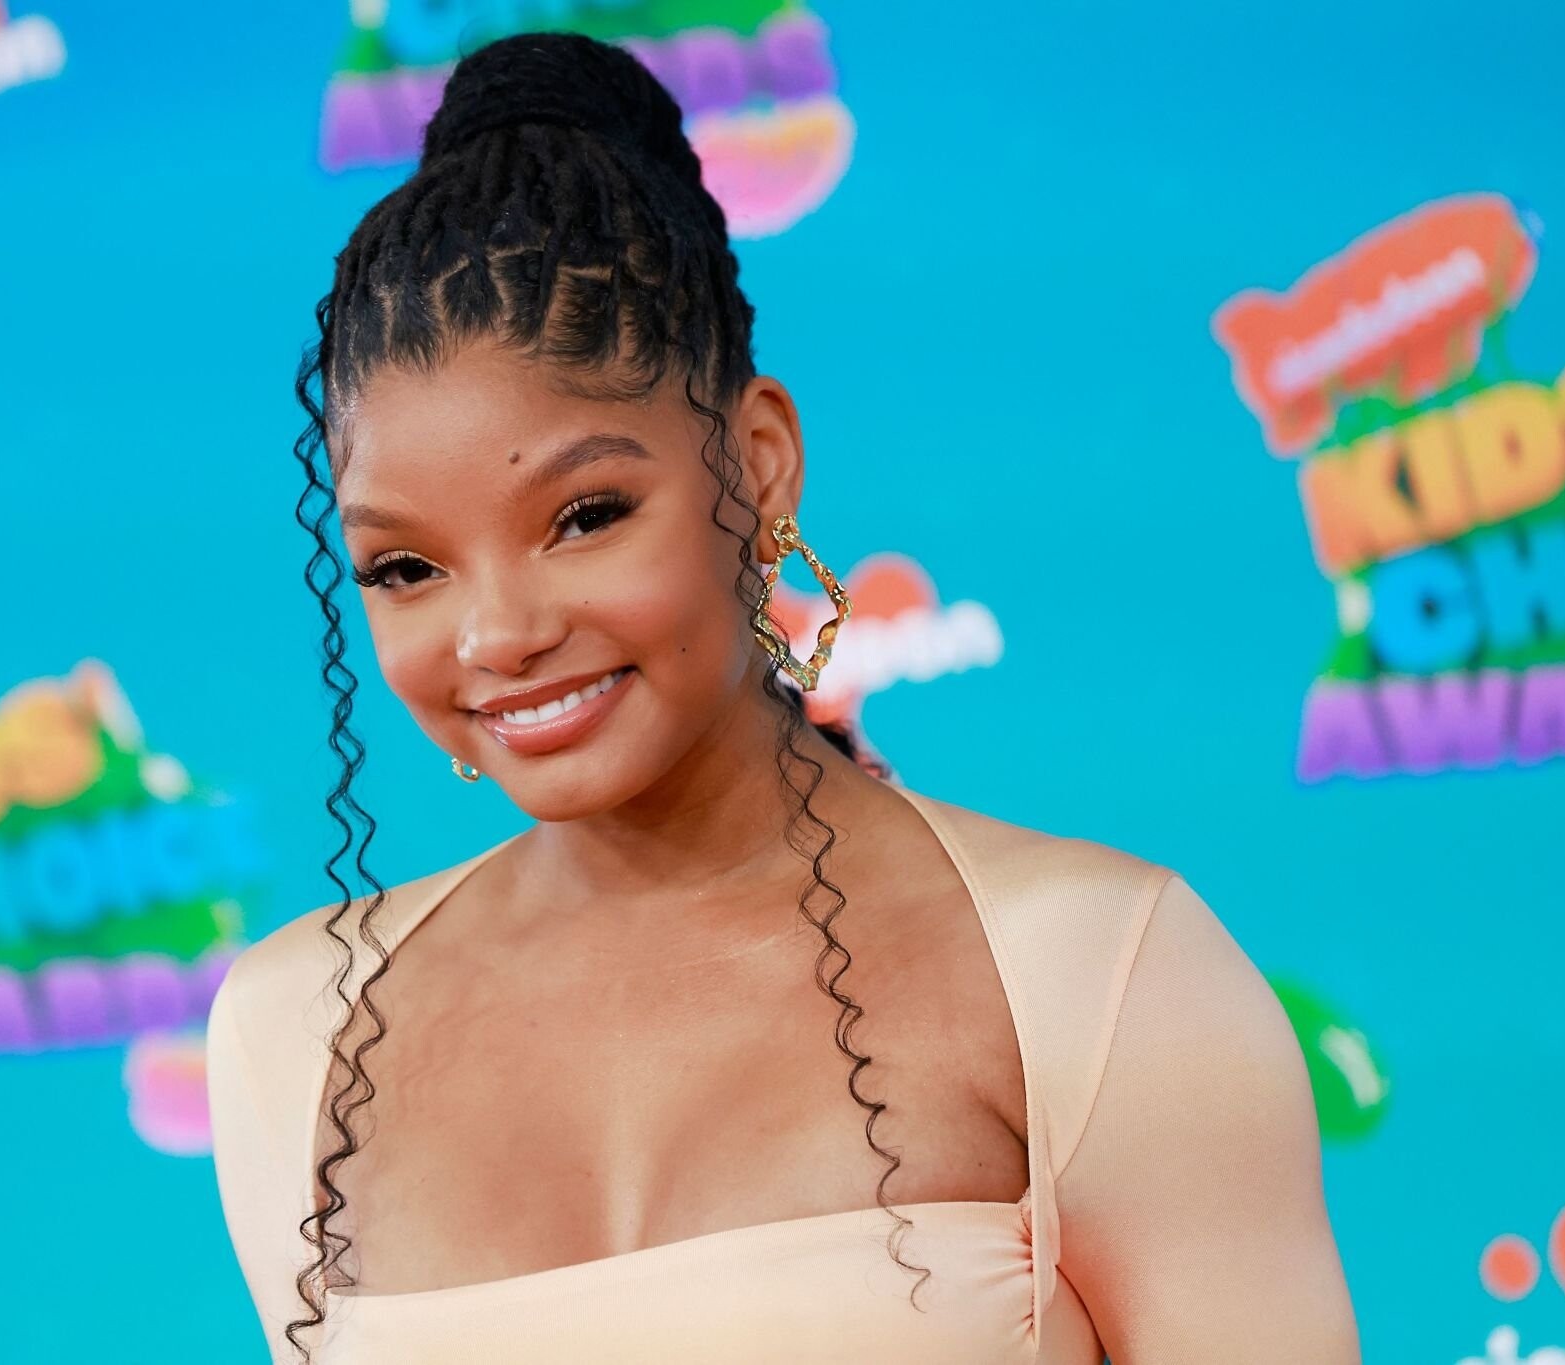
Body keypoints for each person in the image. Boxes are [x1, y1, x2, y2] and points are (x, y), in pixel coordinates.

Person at [207, 30, 1361, 1365]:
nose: (500, 633)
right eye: (406, 567)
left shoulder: (1094, 978)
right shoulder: (297, 1034)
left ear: (756, 466)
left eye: (586, 515)